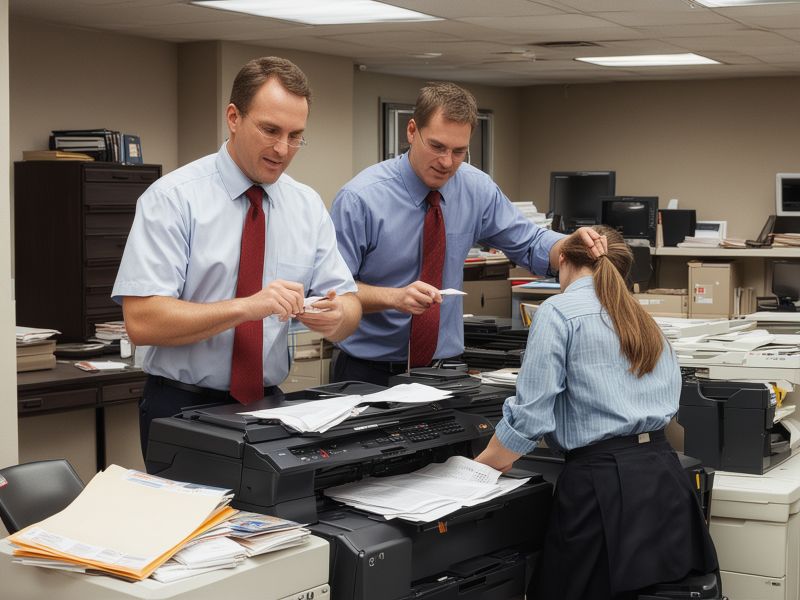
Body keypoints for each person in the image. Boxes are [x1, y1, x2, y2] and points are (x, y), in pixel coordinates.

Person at [112, 57, 361, 454]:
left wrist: (336, 316)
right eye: (270, 130)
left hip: (268, 406)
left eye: (296, 135)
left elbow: (348, 308)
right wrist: (248, 307)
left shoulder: (306, 205)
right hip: (182, 406)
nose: (282, 149)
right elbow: (143, 320)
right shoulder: (173, 199)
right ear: (233, 117)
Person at [474, 226, 719, 600]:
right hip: (664, 476)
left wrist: (483, 466)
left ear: (563, 259)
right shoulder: (643, 318)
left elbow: (531, 415)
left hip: (599, 484)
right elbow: (669, 399)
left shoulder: (557, 311)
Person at [329, 81, 606, 386]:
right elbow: (335, 291)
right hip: (368, 371)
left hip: (444, 370)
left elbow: (529, 243)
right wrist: (395, 297)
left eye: (459, 151)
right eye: (437, 147)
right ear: (411, 131)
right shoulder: (360, 199)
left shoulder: (476, 188)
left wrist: (568, 244)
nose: (447, 162)